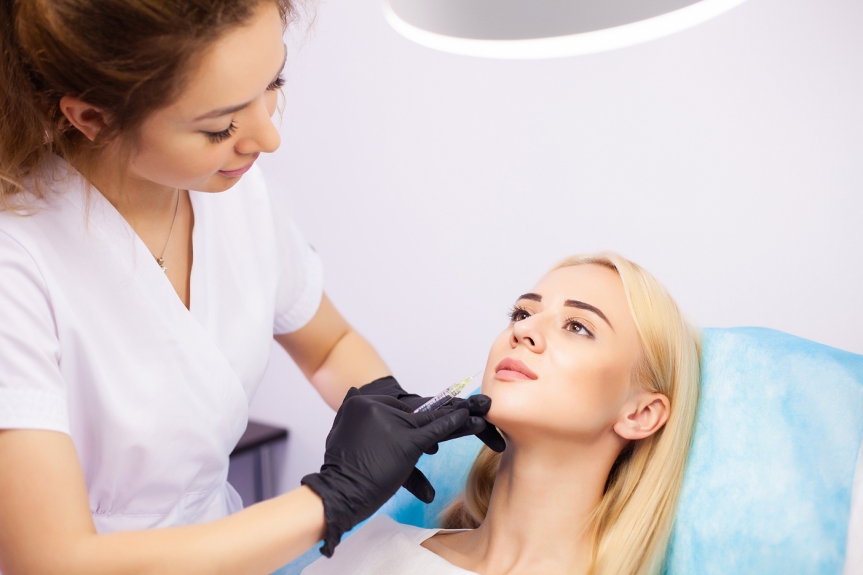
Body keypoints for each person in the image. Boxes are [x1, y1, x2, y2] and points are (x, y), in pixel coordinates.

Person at [0, 0, 502, 573]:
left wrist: (390, 408)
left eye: (274, 83)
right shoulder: (16, 265)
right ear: (92, 117)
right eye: (221, 126)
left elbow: (329, 346)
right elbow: (53, 560)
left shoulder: (235, 195)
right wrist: (331, 499)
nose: (268, 137)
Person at [303, 252, 702, 575]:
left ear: (641, 413)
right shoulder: (373, 553)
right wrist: (335, 492)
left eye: (578, 326)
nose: (523, 331)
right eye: (523, 313)